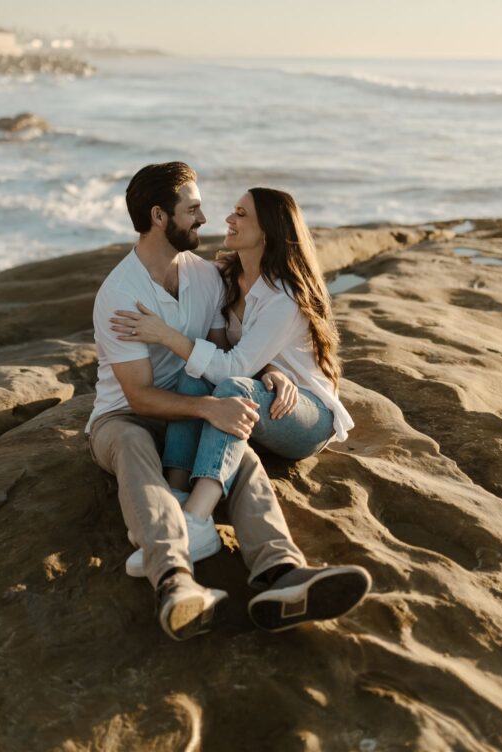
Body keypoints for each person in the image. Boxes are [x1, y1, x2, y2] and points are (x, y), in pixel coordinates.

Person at [87, 162, 371, 641]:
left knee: (241, 454)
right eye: (193, 209)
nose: (206, 218)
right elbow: (138, 396)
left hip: (195, 405)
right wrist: (207, 408)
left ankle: (281, 573)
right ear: (160, 217)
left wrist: (272, 373)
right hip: (126, 417)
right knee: (136, 448)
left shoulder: (207, 277)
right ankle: (174, 580)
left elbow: (227, 357)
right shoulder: (120, 295)